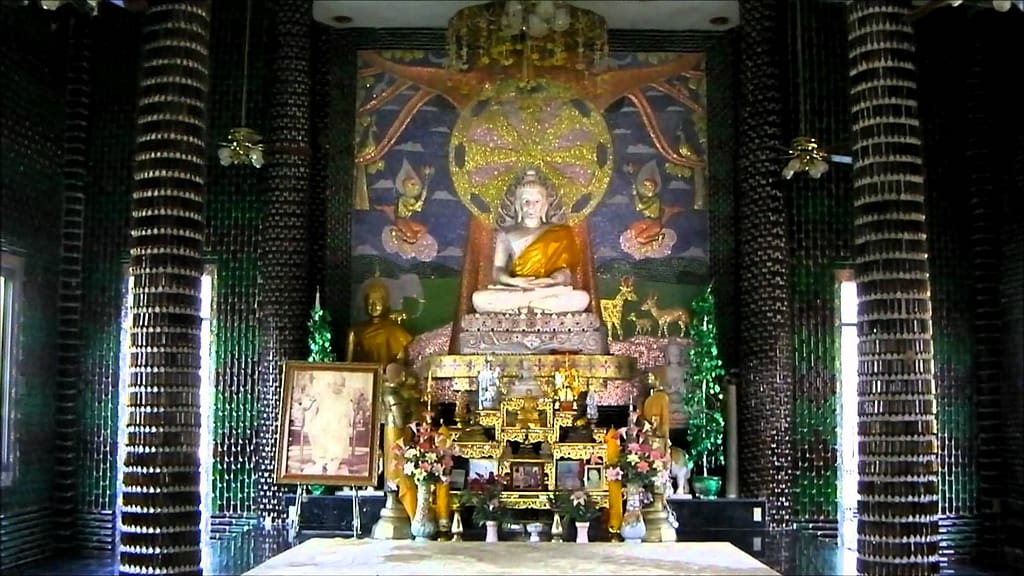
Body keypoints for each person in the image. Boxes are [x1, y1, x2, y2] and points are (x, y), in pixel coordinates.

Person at [471, 169, 591, 314]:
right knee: (479, 298)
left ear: (545, 205)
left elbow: (565, 272)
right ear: (518, 206)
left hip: (547, 289)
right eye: (526, 201)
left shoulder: (558, 233)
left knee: (581, 298)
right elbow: (497, 270)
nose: (531, 206)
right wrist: (514, 281)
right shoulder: (506, 234)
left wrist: (553, 280)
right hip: (515, 289)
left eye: (536, 201)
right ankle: (536, 305)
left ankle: (525, 305)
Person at [346, 277, 413, 365]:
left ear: (385, 304)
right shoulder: (355, 331)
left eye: (377, 302)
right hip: (365, 374)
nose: (373, 306)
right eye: (370, 303)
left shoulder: (394, 330)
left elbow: (402, 356)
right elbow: (348, 365)